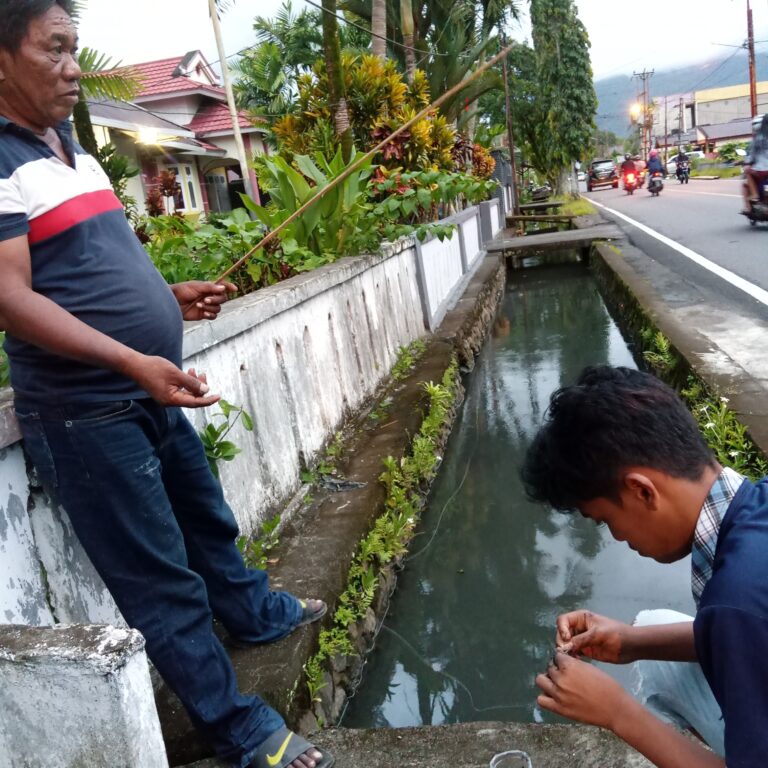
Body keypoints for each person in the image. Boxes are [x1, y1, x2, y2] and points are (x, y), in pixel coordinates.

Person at [0, 3, 332, 768]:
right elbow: (12, 298)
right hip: (86, 411)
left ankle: (252, 613)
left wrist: (169, 293)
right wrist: (128, 358)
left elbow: (92, 266)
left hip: (144, 390)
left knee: (206, 519)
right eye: (54, 50)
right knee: (163, 583)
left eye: (76, 48)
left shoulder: (73, 151)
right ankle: (238, 729)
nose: (74, 67)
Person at [522, 365, 768, 768]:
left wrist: (617, 712)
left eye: (604, 521)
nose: (616, 537)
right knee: (650, 627)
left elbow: (738, 623)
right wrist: (632, 641)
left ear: (641, 490)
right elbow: (745, 630)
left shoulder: (734, 600)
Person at [743, 113, 768, 214]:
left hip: (760, 170)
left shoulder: (756, 140)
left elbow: (750, 156)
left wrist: (747, 164)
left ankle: (753, 197)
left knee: (747, 174)